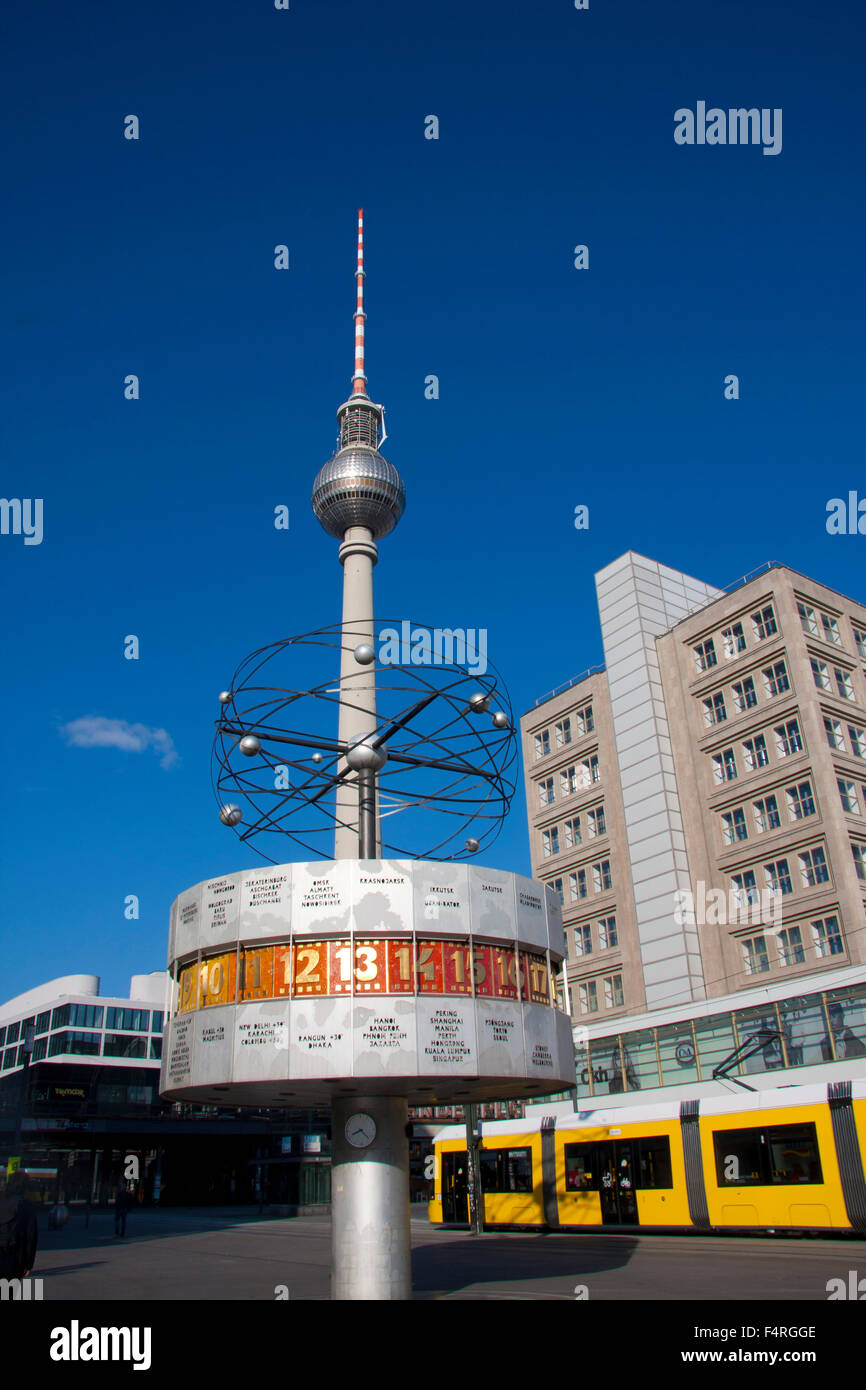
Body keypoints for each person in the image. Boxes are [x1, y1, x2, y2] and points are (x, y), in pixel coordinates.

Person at [0, 1171, 38, 1279]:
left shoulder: (1, 1202)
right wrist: (29, 1264)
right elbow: (31, 1237)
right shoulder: (26, 1206)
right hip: (15, 1258)